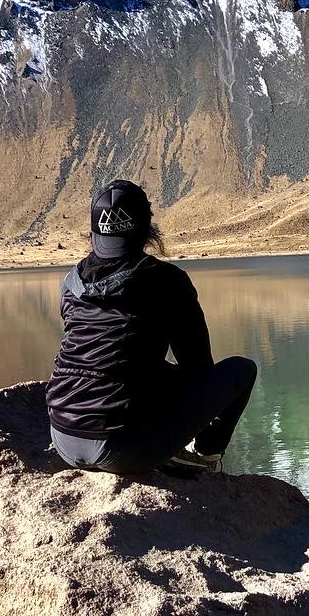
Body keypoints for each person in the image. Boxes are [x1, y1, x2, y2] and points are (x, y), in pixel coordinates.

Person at [46, 179, 257, 474]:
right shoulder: (167, 281)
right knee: (242, 370)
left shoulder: (71, 282)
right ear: (147, 229)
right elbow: (198, 369)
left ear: (94, 233)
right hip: (123, 449)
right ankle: (204, 456)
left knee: (150, 372)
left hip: (63, 437)